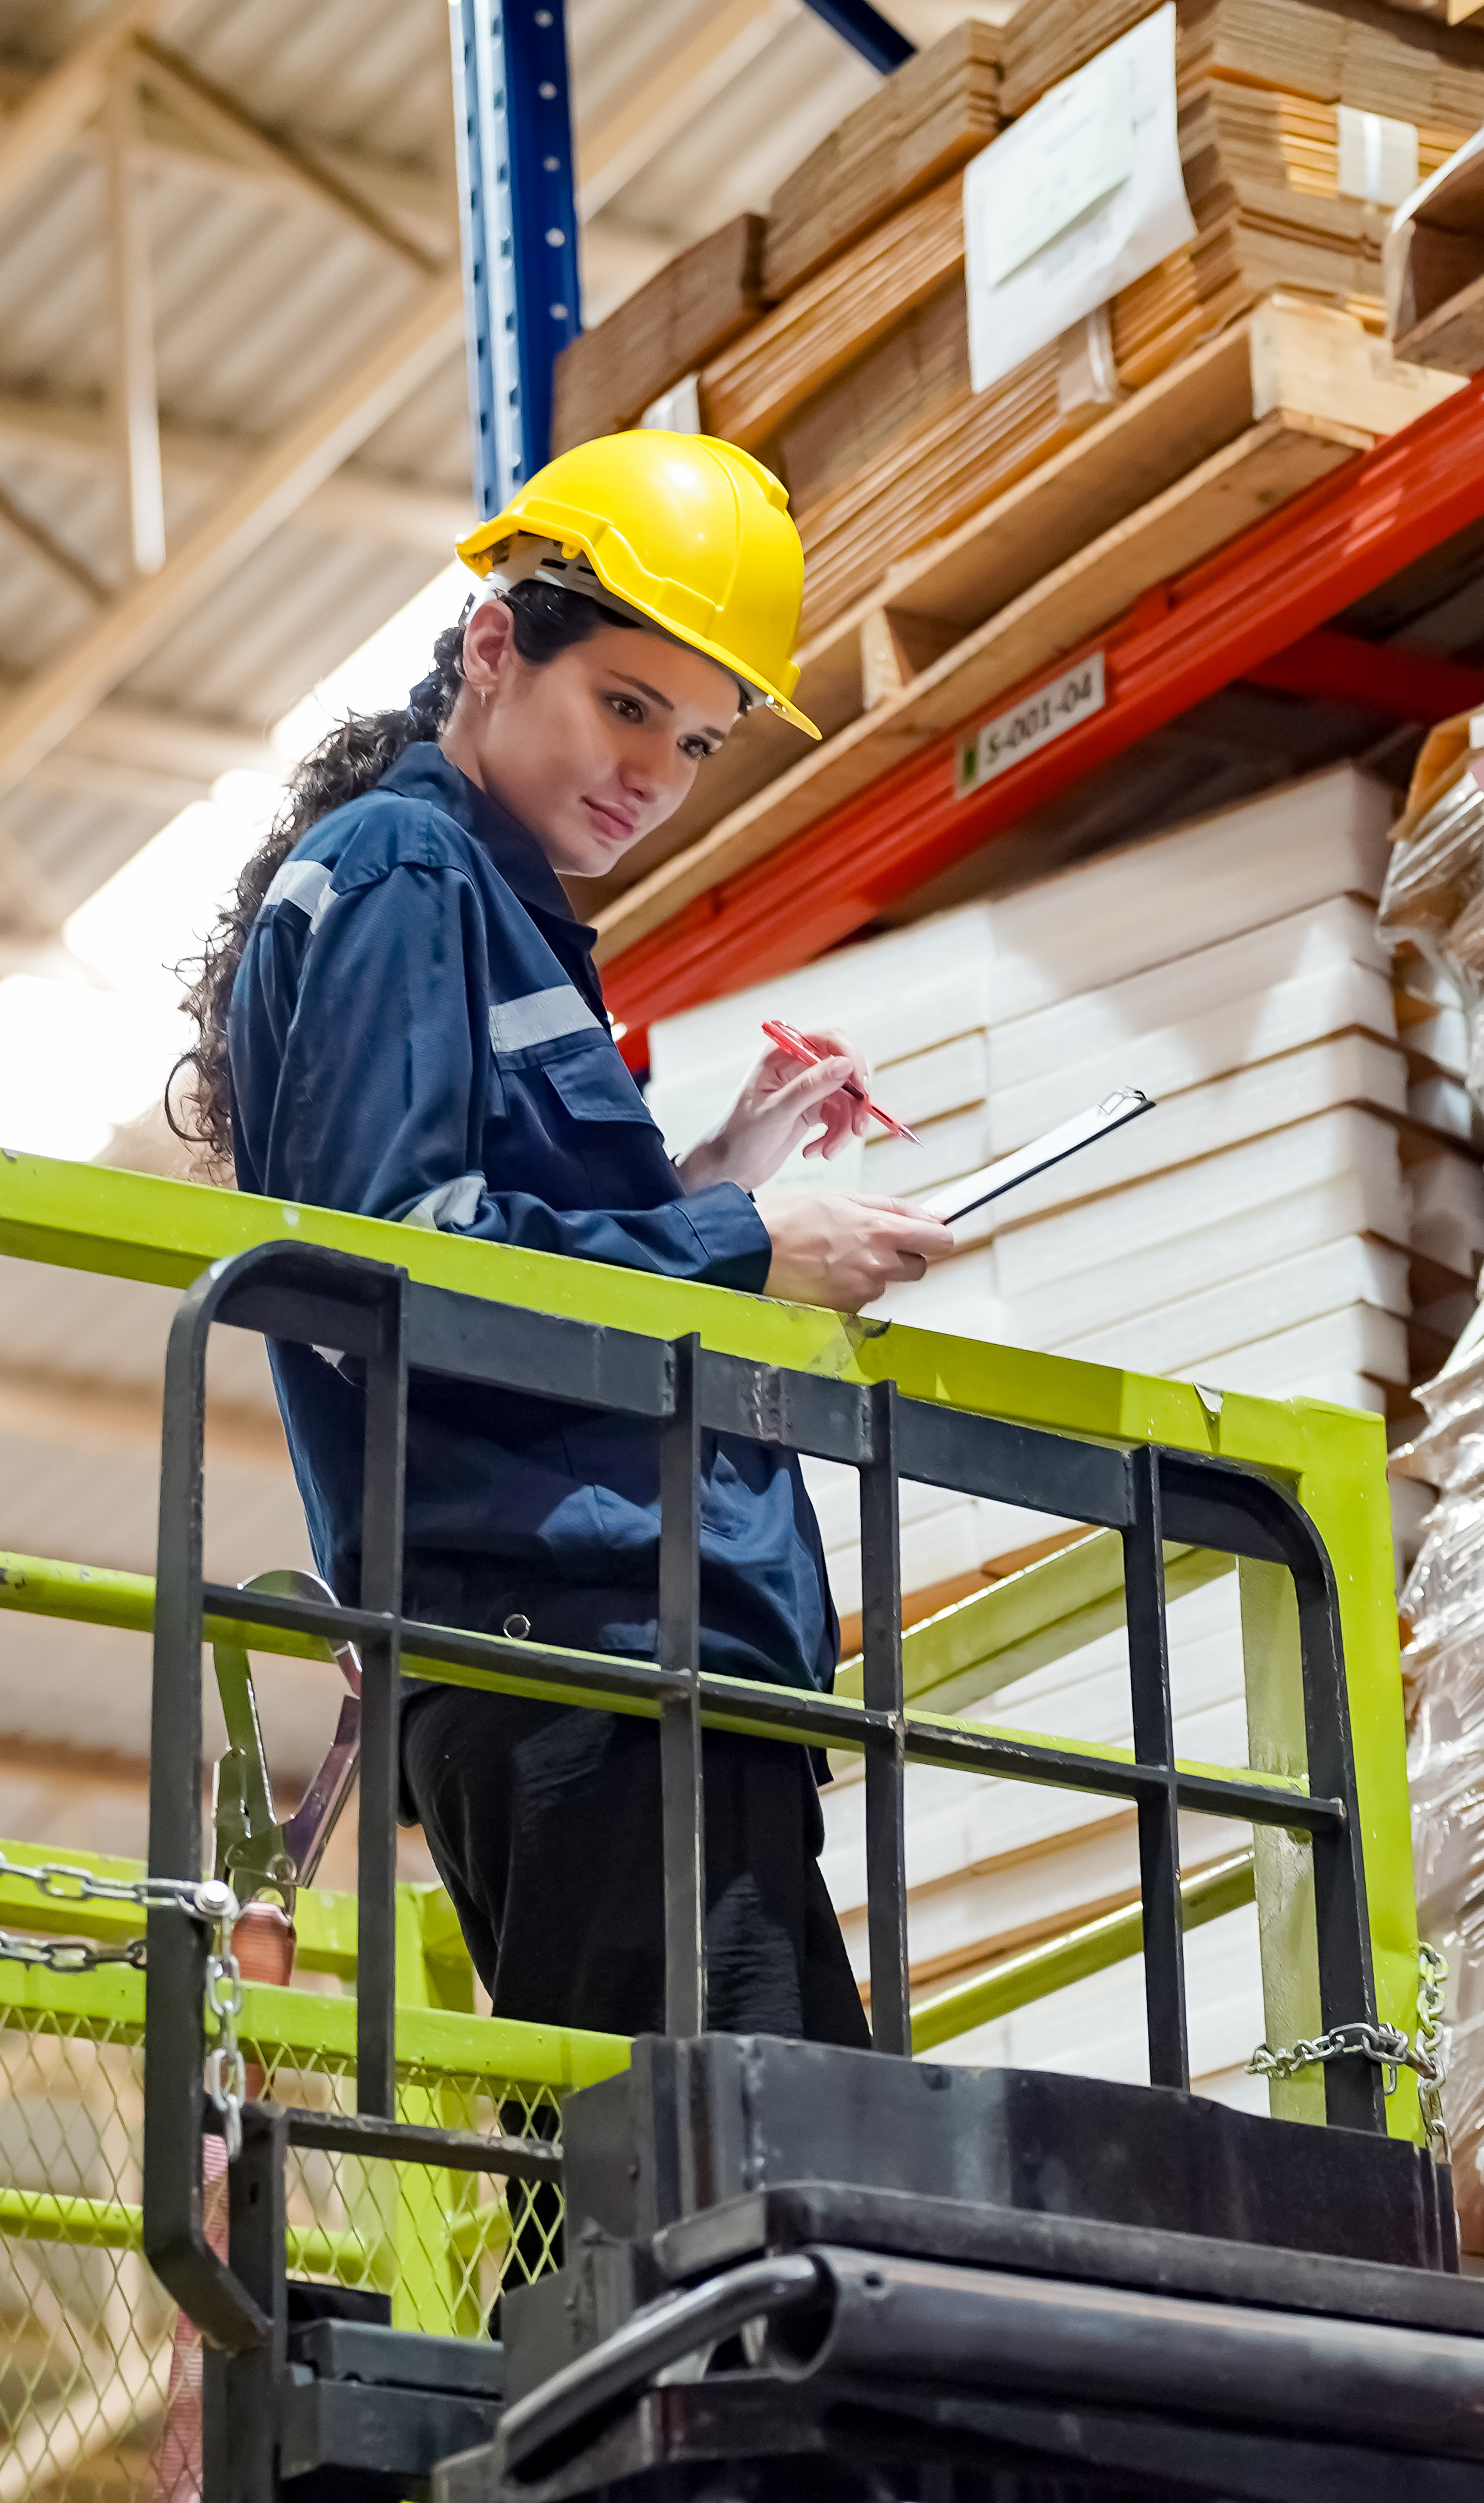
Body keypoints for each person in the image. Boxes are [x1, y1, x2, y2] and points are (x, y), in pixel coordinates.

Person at [173, 431, 956, 2049]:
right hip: (584, 1662)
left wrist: (712, 1174)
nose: (652, 778)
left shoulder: (483, 907)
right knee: (706, 2207)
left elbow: (503, 1242)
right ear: (490, 648)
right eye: (625, 705)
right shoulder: (404, 874)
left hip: (618, 1665)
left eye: (695, 744)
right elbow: (405, 1263)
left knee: (725, 2186)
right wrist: (742, 1247)